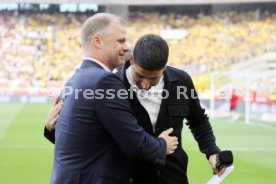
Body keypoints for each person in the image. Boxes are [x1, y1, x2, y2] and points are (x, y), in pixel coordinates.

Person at [45, 34, 228, 184]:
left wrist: (212, 151)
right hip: (129, 177)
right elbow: (85, 137)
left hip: (173, 177)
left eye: (154, 78)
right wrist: (51, 130)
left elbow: (198, 120)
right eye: (140, 76)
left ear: (165, 67)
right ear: (132, 60)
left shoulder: (182, 82)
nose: (146, 85)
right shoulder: (110, 86)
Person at [48, 13, 179, 184]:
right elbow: (132, 139)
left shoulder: (75, 79)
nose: (126, 47)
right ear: (98, 42)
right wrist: (161, 145)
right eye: (121, 41)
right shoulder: (104, 81)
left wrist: (49, 129)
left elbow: (79, 137)